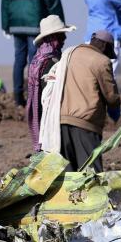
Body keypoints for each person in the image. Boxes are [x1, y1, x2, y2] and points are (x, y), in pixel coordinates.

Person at [1, 0, 65, 107]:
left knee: (19, 58)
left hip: (15, 22)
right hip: (35, 21)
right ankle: (34, 97)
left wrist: (5, 24)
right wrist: (59, 23)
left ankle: (17, 98)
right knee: (34, 59)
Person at [58, 30, 121, 172]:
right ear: (105, 46)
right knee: (91, 173)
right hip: (85, 124)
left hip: (61, 121)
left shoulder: (70, 54)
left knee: (68, 174)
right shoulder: (101, 61)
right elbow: (111, 97)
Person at [27, 15, 76, 151]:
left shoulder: (38, 60)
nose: (64, 38)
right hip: (51, 116)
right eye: (61, 36)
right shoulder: (50, 62)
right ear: (52, 38)